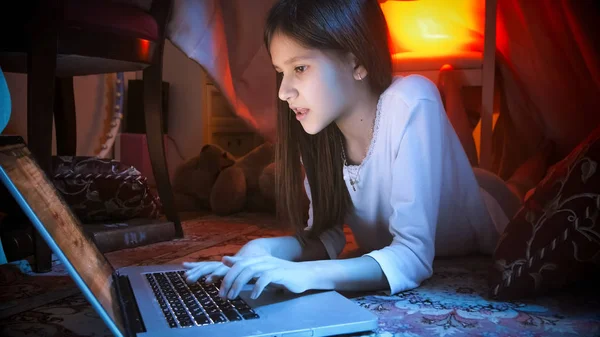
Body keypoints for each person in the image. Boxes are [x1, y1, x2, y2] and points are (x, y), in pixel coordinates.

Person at [183, 0, 551, 301]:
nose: (284, 92)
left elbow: (411, 256)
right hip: (454, 180)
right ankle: (456, 91)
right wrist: (260, 254)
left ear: (357, 61)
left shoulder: (412, 99)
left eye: (300, 67)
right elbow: (326, 236)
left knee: (523, 185)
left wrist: (300, 274)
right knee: (464, 160)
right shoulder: (318, 129)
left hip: (489, 204)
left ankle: (544, 149)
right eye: (281, 71)